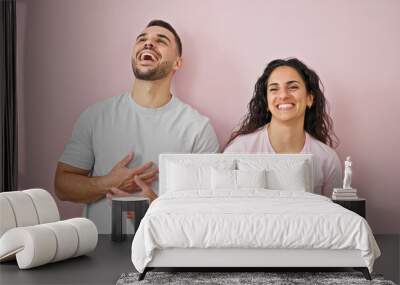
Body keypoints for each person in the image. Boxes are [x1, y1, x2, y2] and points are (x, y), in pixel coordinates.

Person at [54, 20, 220, 233]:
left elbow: (211, 206)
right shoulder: (96, 116)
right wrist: (106, 183)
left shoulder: (198, 128)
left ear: (178, 63)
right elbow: (62, 185)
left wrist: (157, 206)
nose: (148, 43)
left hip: (166, 253)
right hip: (100, 252)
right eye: (142, 39)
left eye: (160, 41)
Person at [224, 58, 341, 196]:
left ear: (310, 98)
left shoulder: (327, 160)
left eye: (293, 87)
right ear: (266, 102)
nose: (284, 95)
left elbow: (334, 215)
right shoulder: (239, 151)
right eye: (274, 89)